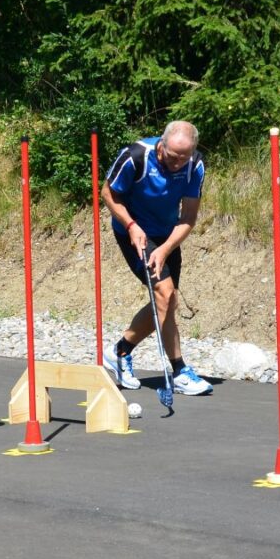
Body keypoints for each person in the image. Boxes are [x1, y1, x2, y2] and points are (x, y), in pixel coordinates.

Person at [100, 120, 212, 396]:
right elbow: (108, 193)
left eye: (183, 158)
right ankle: (180, 371)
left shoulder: (194, 166)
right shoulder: (136, 156)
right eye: (172, 156)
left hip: (167, 235)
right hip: (134, 230)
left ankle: (119, 351)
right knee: (164, 293)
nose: (177, 163)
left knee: (168, 299)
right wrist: (130, 226)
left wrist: (164, 249)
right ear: (161, 145)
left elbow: (188, 218)